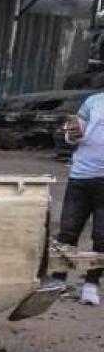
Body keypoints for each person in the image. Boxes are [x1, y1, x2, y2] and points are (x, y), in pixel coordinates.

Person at [54, 91, 104, 305]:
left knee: (102, 236)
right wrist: (71, 133)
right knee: (68, 231)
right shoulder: (93, 101)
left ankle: (91, 284)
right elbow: (72, 132)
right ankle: (58, 280)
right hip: (81, 175)